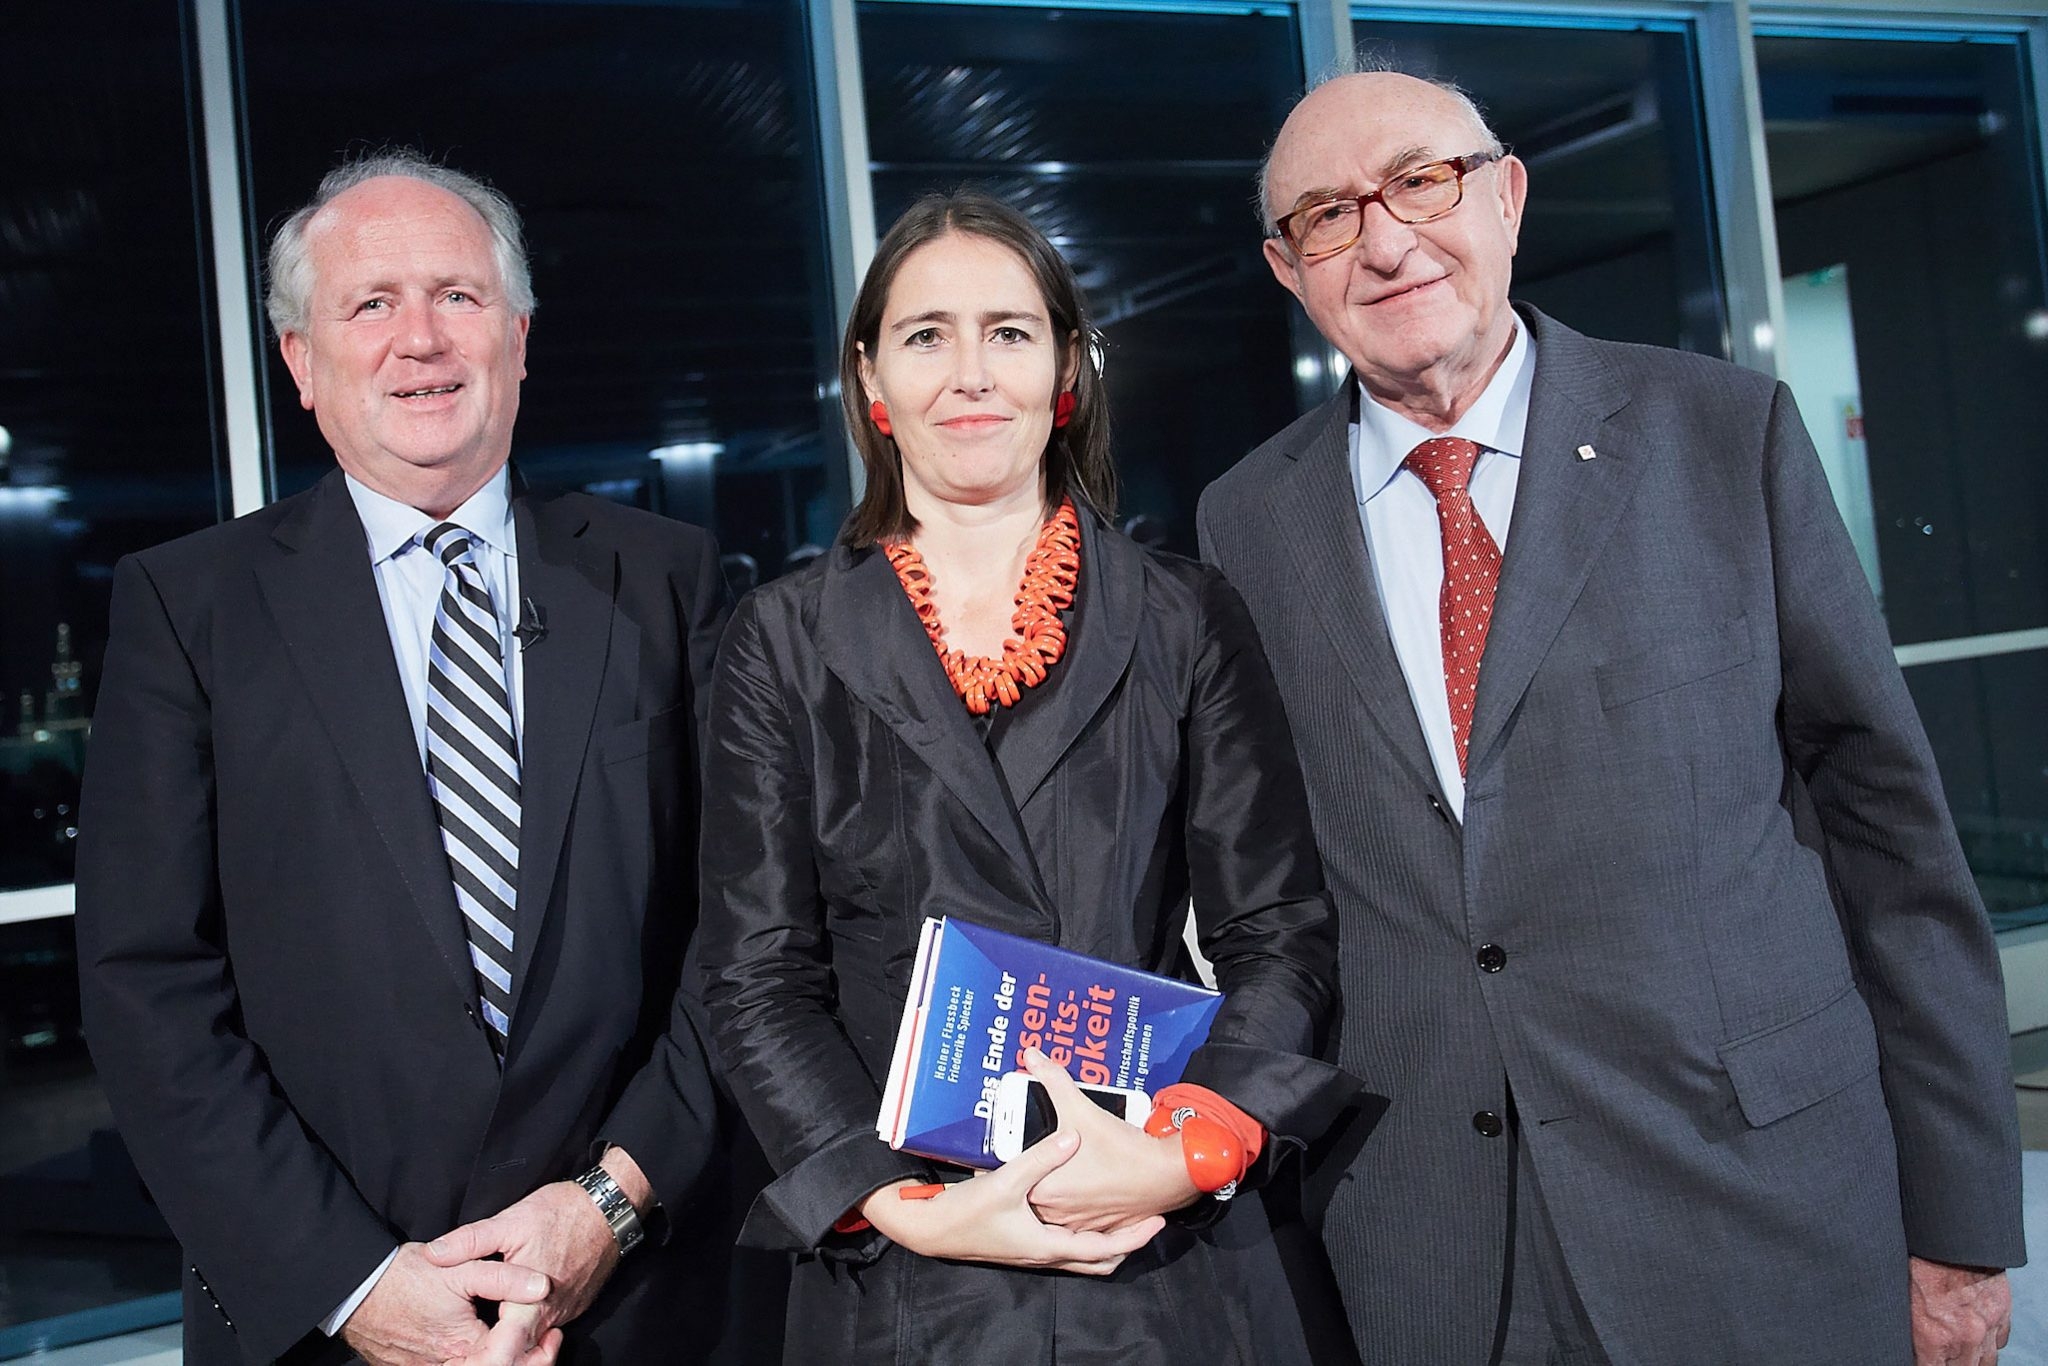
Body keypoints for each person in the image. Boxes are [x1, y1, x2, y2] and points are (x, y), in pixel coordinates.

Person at [1199, 70, 2026, 1366]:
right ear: (1286, 267)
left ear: (1507, 196)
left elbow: (1892, 844)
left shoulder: (1721, 433)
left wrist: (1962, 1218)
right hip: (1425, 1244)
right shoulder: (1245, 522)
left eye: (1421, 182)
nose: (1386, 241)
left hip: (1751, 1202)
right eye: (1328, 215)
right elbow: (1268, 885)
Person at [75, 150, 729, 1366]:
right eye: (369, 304)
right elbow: (146, 984)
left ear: (518, 339)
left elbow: (739, 933)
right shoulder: (188, 607)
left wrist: (611, 1202)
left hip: (635, 1299)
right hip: (324, 1320)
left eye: (456, 296)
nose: (419, 339)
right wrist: (353, 1282)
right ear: (300, 362)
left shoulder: (666, 580)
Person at [692, 189, 1358, 1363]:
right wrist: (901, 1202)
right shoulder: (781, 640)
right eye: (925, 336)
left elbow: (1276, 931)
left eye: (1007, 332)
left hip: (1157, 1245)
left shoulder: (1183, 614)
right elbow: (754, 978)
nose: (969, 374)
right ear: (870, 382)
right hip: (907, 1267)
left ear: (1064, 372)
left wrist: (1187, 1148)